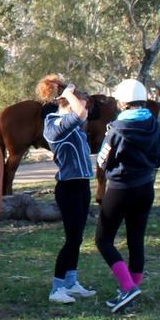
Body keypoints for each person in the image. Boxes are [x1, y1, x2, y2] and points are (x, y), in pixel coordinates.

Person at [94, 78, 160, 312]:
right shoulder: (154, 125)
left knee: (103, 240)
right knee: (136, 240)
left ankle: (127, 288)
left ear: (122, 102)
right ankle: (132, 291)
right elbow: (158, 159)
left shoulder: (116, 128)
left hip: (120, 189)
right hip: (145, 187)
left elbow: (102, 161)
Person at [38, 75, 98, 305]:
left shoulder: (76, 129)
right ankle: (57, 288)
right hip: (68, 188)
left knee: (78, 238)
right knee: (71, 239)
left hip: (82, 186)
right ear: (67, 102)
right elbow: (79, 113)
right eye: (81, 103)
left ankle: (71, 282)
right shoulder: (53, 125)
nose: (85, 110)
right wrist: (71, 93)